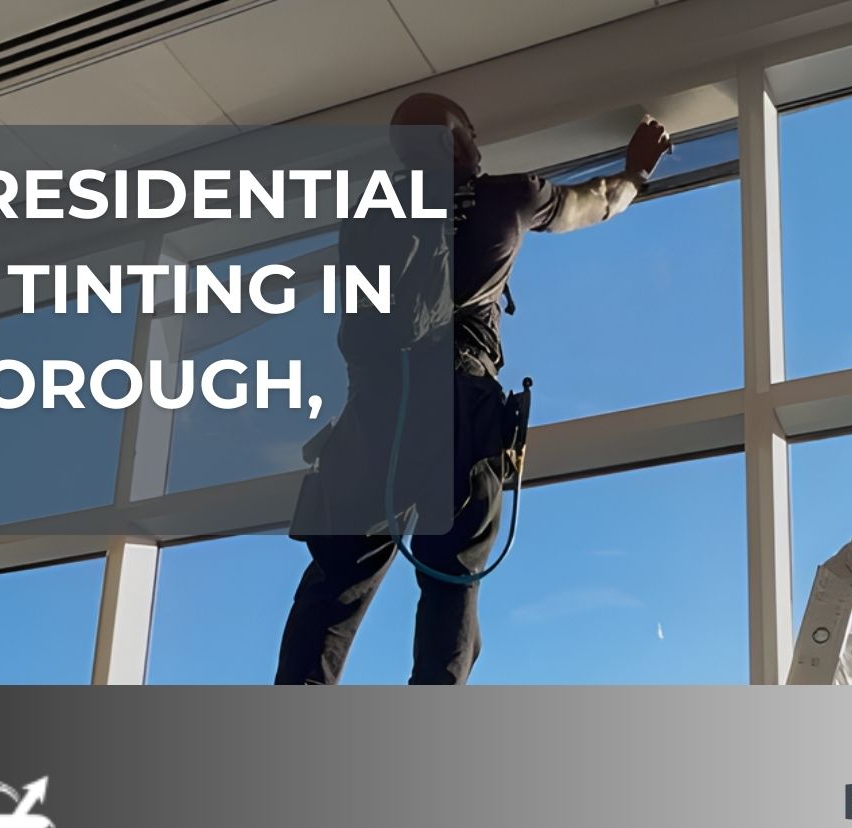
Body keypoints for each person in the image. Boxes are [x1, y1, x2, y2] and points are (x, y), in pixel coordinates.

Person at [275, 93, 672, 685]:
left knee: (335, 585)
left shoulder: (367, 216)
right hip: (457, 404)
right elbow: (600, 201)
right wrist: (636, 170)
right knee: (452, 579)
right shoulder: (508, 197)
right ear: (466, 139)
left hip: (371, 416)